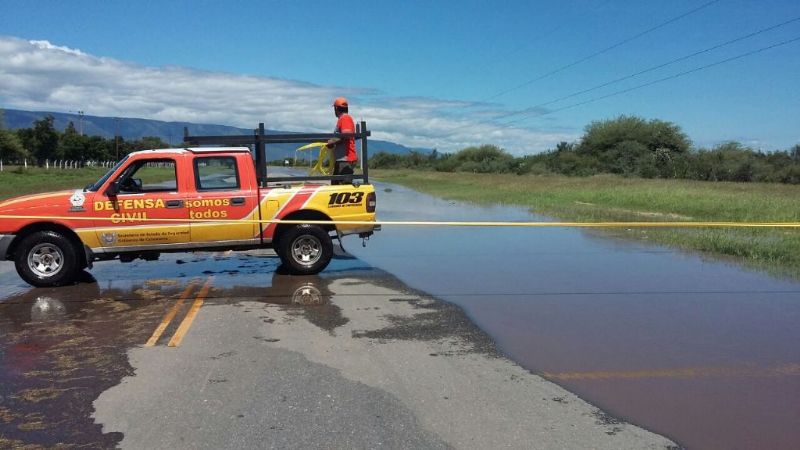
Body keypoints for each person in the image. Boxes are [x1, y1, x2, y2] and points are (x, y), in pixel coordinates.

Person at [326, 97, 357, 184]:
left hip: (345, 159)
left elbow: (346, 135)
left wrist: (332, 141)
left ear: (336, 108)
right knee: (336, 185)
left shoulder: (345, 118)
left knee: (343, 186)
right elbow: (342, 138)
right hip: (341, 159)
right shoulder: (343, 119)